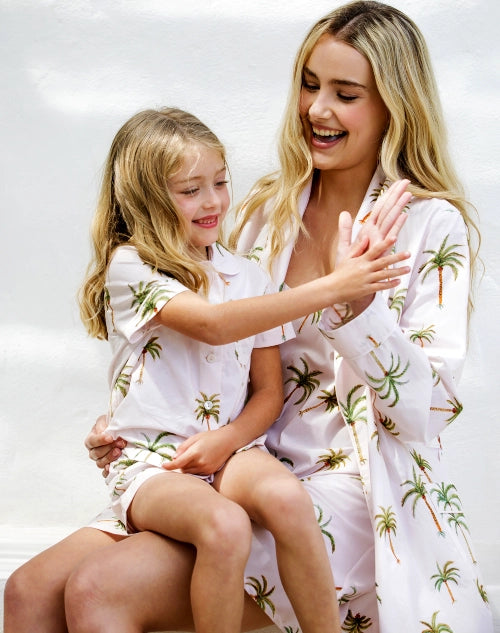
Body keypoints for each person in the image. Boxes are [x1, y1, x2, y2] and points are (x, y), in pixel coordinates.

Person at [4, 2, 494, 633]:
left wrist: (357, 307)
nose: (317, 110)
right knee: (30, 591)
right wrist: (135, 415)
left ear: (394, 107)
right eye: (310, 85)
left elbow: (426, 415)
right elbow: (214, 340)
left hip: (345, 482)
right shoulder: (267, 211)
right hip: (228, 458)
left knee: (102, 588)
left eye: (345, 94)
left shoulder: (432, 224)